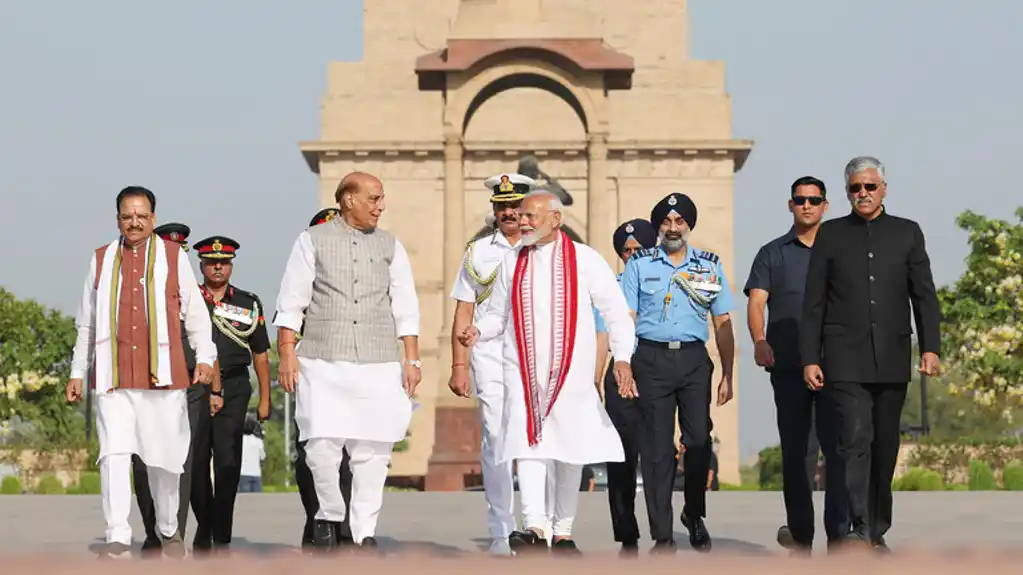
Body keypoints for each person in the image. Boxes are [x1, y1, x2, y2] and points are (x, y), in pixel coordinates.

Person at [457, 190, 636, 556]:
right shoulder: (512, 261)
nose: (523, 221)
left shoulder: (585, 260)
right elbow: (498, 314)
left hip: (571, 374)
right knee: (529, 446)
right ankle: (534, 528)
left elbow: (616, 312)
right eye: (520, 215)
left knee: (569, 451)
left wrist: (622, 358)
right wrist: (479, 330)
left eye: (530, 216)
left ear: (555, 219)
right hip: (522, 373)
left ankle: (563, 531)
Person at [273, 171, 421, 553]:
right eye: (373, 198)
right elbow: (291, 301)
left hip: (378, 361)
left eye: (381, 198)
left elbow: (406, 306)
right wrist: (286, 354)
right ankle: (328, 515)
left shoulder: (391, 246)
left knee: (373, 451)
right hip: (323, 361)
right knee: (321, 446)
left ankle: (362, 533)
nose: (380, 206)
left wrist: (412, 360)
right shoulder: (312, 241)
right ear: (348, 199)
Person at [66, 186, 217, 559]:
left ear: (152, 218)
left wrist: (205, 357)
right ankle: (117, 533)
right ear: (117, 218)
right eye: (127, 215)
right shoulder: (101, 259)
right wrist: (77, 371)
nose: (134, 222)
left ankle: (168, 529)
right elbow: (87, 321)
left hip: (163, 379)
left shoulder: (172, 256)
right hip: (113, 379)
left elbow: (195, 313)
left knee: (165, 459)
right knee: (114, 455)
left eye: (141, 215)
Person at [801, 156, 941, 552]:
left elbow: (924, 295)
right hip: (844, 358)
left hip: (893, 355)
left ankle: (877, 527)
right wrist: (810, 357)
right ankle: (858, 528)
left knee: (885, 446)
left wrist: (931, 346)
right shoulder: (830, 235)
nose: (862, 194)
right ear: (846, 192)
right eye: (854, 188)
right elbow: (813, 302)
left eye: (869, 187)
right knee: (855, 439)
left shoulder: (907, 233)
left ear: (883, 189)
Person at [621, 192, 736, 554]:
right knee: (656, 450)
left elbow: (722, 320)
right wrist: (623, 362)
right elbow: (626, 318)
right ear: (658, 227)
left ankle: (693, 512)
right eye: (667, 222)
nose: (673, 228)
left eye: (679, 221)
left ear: (689, 225)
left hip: (692, 361)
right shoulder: (639, 265)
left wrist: (729, 373)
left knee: (699, 439)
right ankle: (663, 535)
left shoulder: (708, 266)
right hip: (650, 360)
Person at [744, 176, 848, 553]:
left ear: (825, 206)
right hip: (787, 364)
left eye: (814, 199)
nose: (807, 205)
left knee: (838, 450)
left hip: (837, 365)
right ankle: (801, 533)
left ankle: (840, 534)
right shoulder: (772, 253)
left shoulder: (841, 251)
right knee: (797, 451)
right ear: (790, 205)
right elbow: (757, 302)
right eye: (800, 199)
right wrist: (759, 340)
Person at [448, 172, 537, 556]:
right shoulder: (478, 252)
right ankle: (502, 530)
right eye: (502, 207)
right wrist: (458, 364)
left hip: (535, 353)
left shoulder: (545, 249)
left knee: (536, 436)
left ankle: (539, 525)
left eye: (515, 205)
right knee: (498, 439)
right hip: (489, 352)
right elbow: (464, 308)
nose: (509, 213)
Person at [187, 235, 272, 555]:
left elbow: (261, 353)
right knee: (195, 463)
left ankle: (220, 536)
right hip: (195, 385)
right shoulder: (188, 297)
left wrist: (265, 399)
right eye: (211, 262)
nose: (217, 267)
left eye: (223, 262)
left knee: (227, 463)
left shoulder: (248, 303)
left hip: (235, 387)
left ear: (231, 265)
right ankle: (204, 525)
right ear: (202, 265)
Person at [132, 222, 212, 557]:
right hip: (141, 381)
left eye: (180, 250)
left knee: (181, 458)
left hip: (187, 381)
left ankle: (173, 534)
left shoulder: (192, 289)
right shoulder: (136, 288)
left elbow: (203, 334)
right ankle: (153, 530)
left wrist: (213, 382)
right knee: (142, 457)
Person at [593, 218, 658, 556]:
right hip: (619, 377)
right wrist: (595, 379)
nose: (633, 256)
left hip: (657, 374)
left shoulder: (663, 282)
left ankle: (662, 529)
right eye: (627, 251)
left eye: (640, 250)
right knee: (621, 456)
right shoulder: (610, 288)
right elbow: (602, 335)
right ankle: (627, 532)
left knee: (657, 455)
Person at [292, 207, 354, 550]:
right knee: (311, 455)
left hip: (354, 376)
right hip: (315, 376)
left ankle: (344, 527)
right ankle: (316, 520)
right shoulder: (301, 280)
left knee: (349, 457)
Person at [238, 414, 265, 493]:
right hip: (256, 474)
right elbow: (262, 457)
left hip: (242, 473)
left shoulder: (237, 440)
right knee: (257, 502)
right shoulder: (258, 441)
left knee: (244, 501)